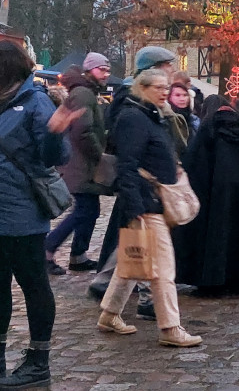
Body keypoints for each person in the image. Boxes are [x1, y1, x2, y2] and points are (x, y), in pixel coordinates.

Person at [96, 69, 202, 347]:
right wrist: (135, 207)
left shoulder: (152, 115)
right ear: (142, 88)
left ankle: (109, 314)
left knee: (132, 262)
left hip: (153, 200)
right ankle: (170, 327)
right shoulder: (134, 118)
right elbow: (127, 166)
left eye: (166, 86)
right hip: (147, 202)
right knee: (163, 268)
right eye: (158, 87)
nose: (165, 91)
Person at [0, 42, 77, 389]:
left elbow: (55, 157)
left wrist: (55, 132)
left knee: (33, 285)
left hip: (22, 215)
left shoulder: (35, 103)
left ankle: (38, 360)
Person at [173, 99, 239, 294]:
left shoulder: (208, 126)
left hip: (214, 192)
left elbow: (195, 162)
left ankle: (211, 278)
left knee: (215, 233)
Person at [45, 54, 113, 275]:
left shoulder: (85, 91)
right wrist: (99, 155)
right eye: (102, 69)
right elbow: (83, 131)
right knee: (84, 210)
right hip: (80, 164)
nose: (106, 74)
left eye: (107, 70)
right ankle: (47, 249)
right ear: (90, 70)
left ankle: (78, 255)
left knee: (88, 210)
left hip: (81, 163)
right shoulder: (83, 93)